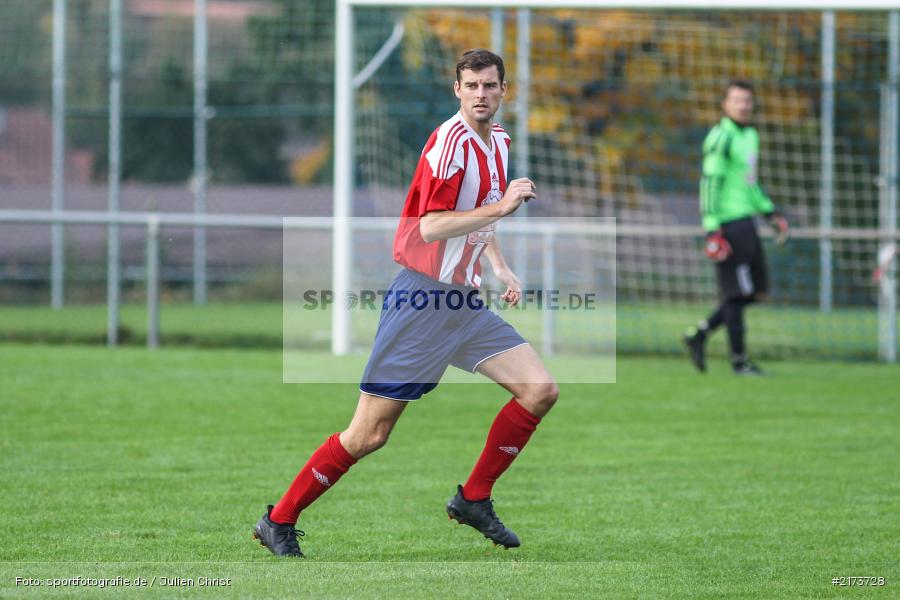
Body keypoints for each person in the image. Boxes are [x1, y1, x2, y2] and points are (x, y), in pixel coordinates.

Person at [253, 49, 559, 557]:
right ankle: (278, 520)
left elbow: (477, 215)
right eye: (471, 85)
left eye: (489, 85)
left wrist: (498, 265)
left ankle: (474, 499)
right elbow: (432, 224)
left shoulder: (499, 141)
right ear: (456, 90)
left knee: (540, 390)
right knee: (369, 433)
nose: (481, 94)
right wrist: (503, 205)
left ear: (505, 90)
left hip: (465, 305)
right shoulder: (449, 145)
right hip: (422, 302)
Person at [683, 80, 789, 376]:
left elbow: (750, 182)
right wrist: (712, 230)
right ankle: (739, 361)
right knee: (735, 294)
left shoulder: (751, 136)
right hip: (728, 225)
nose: (743, 105)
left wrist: (771, 212)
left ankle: (700, 334)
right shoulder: (721, 137)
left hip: (747, 222)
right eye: (737, 100)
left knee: (755, 291)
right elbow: (709, 183)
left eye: (747, 100)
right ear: (725, 105)